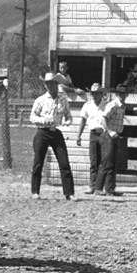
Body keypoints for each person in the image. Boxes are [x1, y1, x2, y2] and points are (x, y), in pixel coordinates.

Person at [29, 72, 75, 200]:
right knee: (38, 162)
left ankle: (69, 193)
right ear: (45, 85)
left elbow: (68, 115)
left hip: (56, 132)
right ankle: (35, 192)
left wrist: (67, 122)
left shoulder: (63, 99)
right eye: (47, 83)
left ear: (56, 84)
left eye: (52, 83)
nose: (49, 85)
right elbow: (32, 117)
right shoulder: (40, 100)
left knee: (64, 162)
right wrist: (44, 121)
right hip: (42, 132)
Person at [94, 85, 128, 197]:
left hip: (115, 135)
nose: (122, 95)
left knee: (113, 163)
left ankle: (110, 189)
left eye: (124, 93)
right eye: (120, 94)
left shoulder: (122, 106)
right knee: (106, 162)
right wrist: (109, 131)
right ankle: (98, 188)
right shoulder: (113, 104)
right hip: (108, 135)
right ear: (117, 94)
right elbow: (103, 118)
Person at [76, 83, 108, 194]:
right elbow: (83, 120)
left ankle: (101, 186)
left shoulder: (106, 104)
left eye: (96, 93)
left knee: (104, 160)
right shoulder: (87, 105)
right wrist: (79, 135)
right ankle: (92, 185)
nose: (94, 95)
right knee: (94, 161)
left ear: (101, 94)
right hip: (93, 134)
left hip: (104, 133)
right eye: (92, 93)